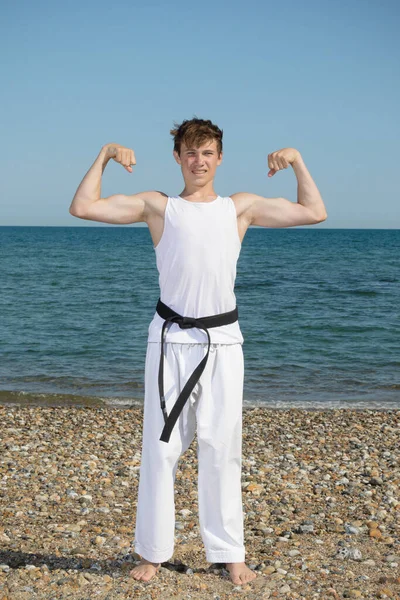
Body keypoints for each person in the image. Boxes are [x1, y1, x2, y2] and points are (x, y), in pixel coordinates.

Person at [69, 118, 327, 586]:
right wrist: (105, 153)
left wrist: (297, 161)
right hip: (170, 339)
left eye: (207, 153)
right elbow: (83, 206)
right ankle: (152, 552)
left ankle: (230, 554)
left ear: (220, 157)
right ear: (178, 158)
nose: (198, 161)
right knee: (161, 448)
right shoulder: (159, 207)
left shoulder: (239, 208)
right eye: (190, 152)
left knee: (221, 447)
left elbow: (314, 212)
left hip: (224, 340)